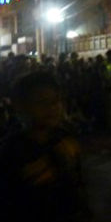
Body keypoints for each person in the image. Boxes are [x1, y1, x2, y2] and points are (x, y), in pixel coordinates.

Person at [0, 71, 91, 221]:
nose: (52, 107)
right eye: (41, 102)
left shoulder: (65, 138)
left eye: (56, 101)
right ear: (20, 107)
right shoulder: (11, 152)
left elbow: (77, 182)